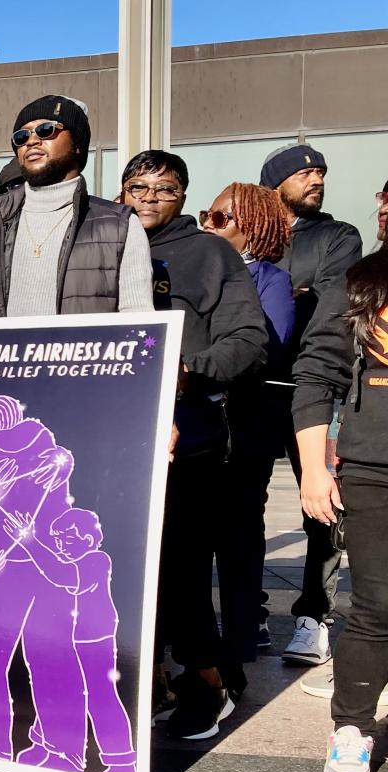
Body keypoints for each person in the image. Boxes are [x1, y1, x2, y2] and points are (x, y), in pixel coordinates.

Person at [120, 150, 268, 739]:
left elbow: (249, 339)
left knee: (181, 568)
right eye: (138, 187)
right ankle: (149, 680)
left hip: (193, 435)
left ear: (184, 196)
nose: (149, 198)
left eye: (165, 188)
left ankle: (209, 680)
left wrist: (188, 370)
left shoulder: (212, 253)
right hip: (115, 430)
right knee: (121, 570)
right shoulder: (103, 245)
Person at [259, 143, 365, 668]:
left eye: (320, 172)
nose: (315, 179)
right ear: (273, 183)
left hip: (315, 388)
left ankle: (313, 616)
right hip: (254, 388)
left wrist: (285, 297)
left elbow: (329, 309)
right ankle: (249, 611)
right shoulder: (254, 235)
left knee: (321, 506)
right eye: (303, 173)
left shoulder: (338, 236)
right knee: (241, 507)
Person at [291, 248, 388, 772]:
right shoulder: (359, 282)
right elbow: (316, 375)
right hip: (375, 466)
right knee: (379, 603)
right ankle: (352, 729)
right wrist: (313, 469)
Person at [200, 183, 297, 655]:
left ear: (254, 228)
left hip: (244, 422)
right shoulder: (196, 267)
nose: (208, 224)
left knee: (240, 526)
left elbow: (269, 345)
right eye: (206, 214)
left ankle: (244, 625)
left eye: (220, 218)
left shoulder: (271, 279)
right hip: (198, 418)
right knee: (195, 529)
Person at [0, 95, 153, 319]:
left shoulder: (119, 226)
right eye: (21, 136)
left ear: (77, 144)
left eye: (46, 130)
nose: (31, 141)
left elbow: (138, 320)